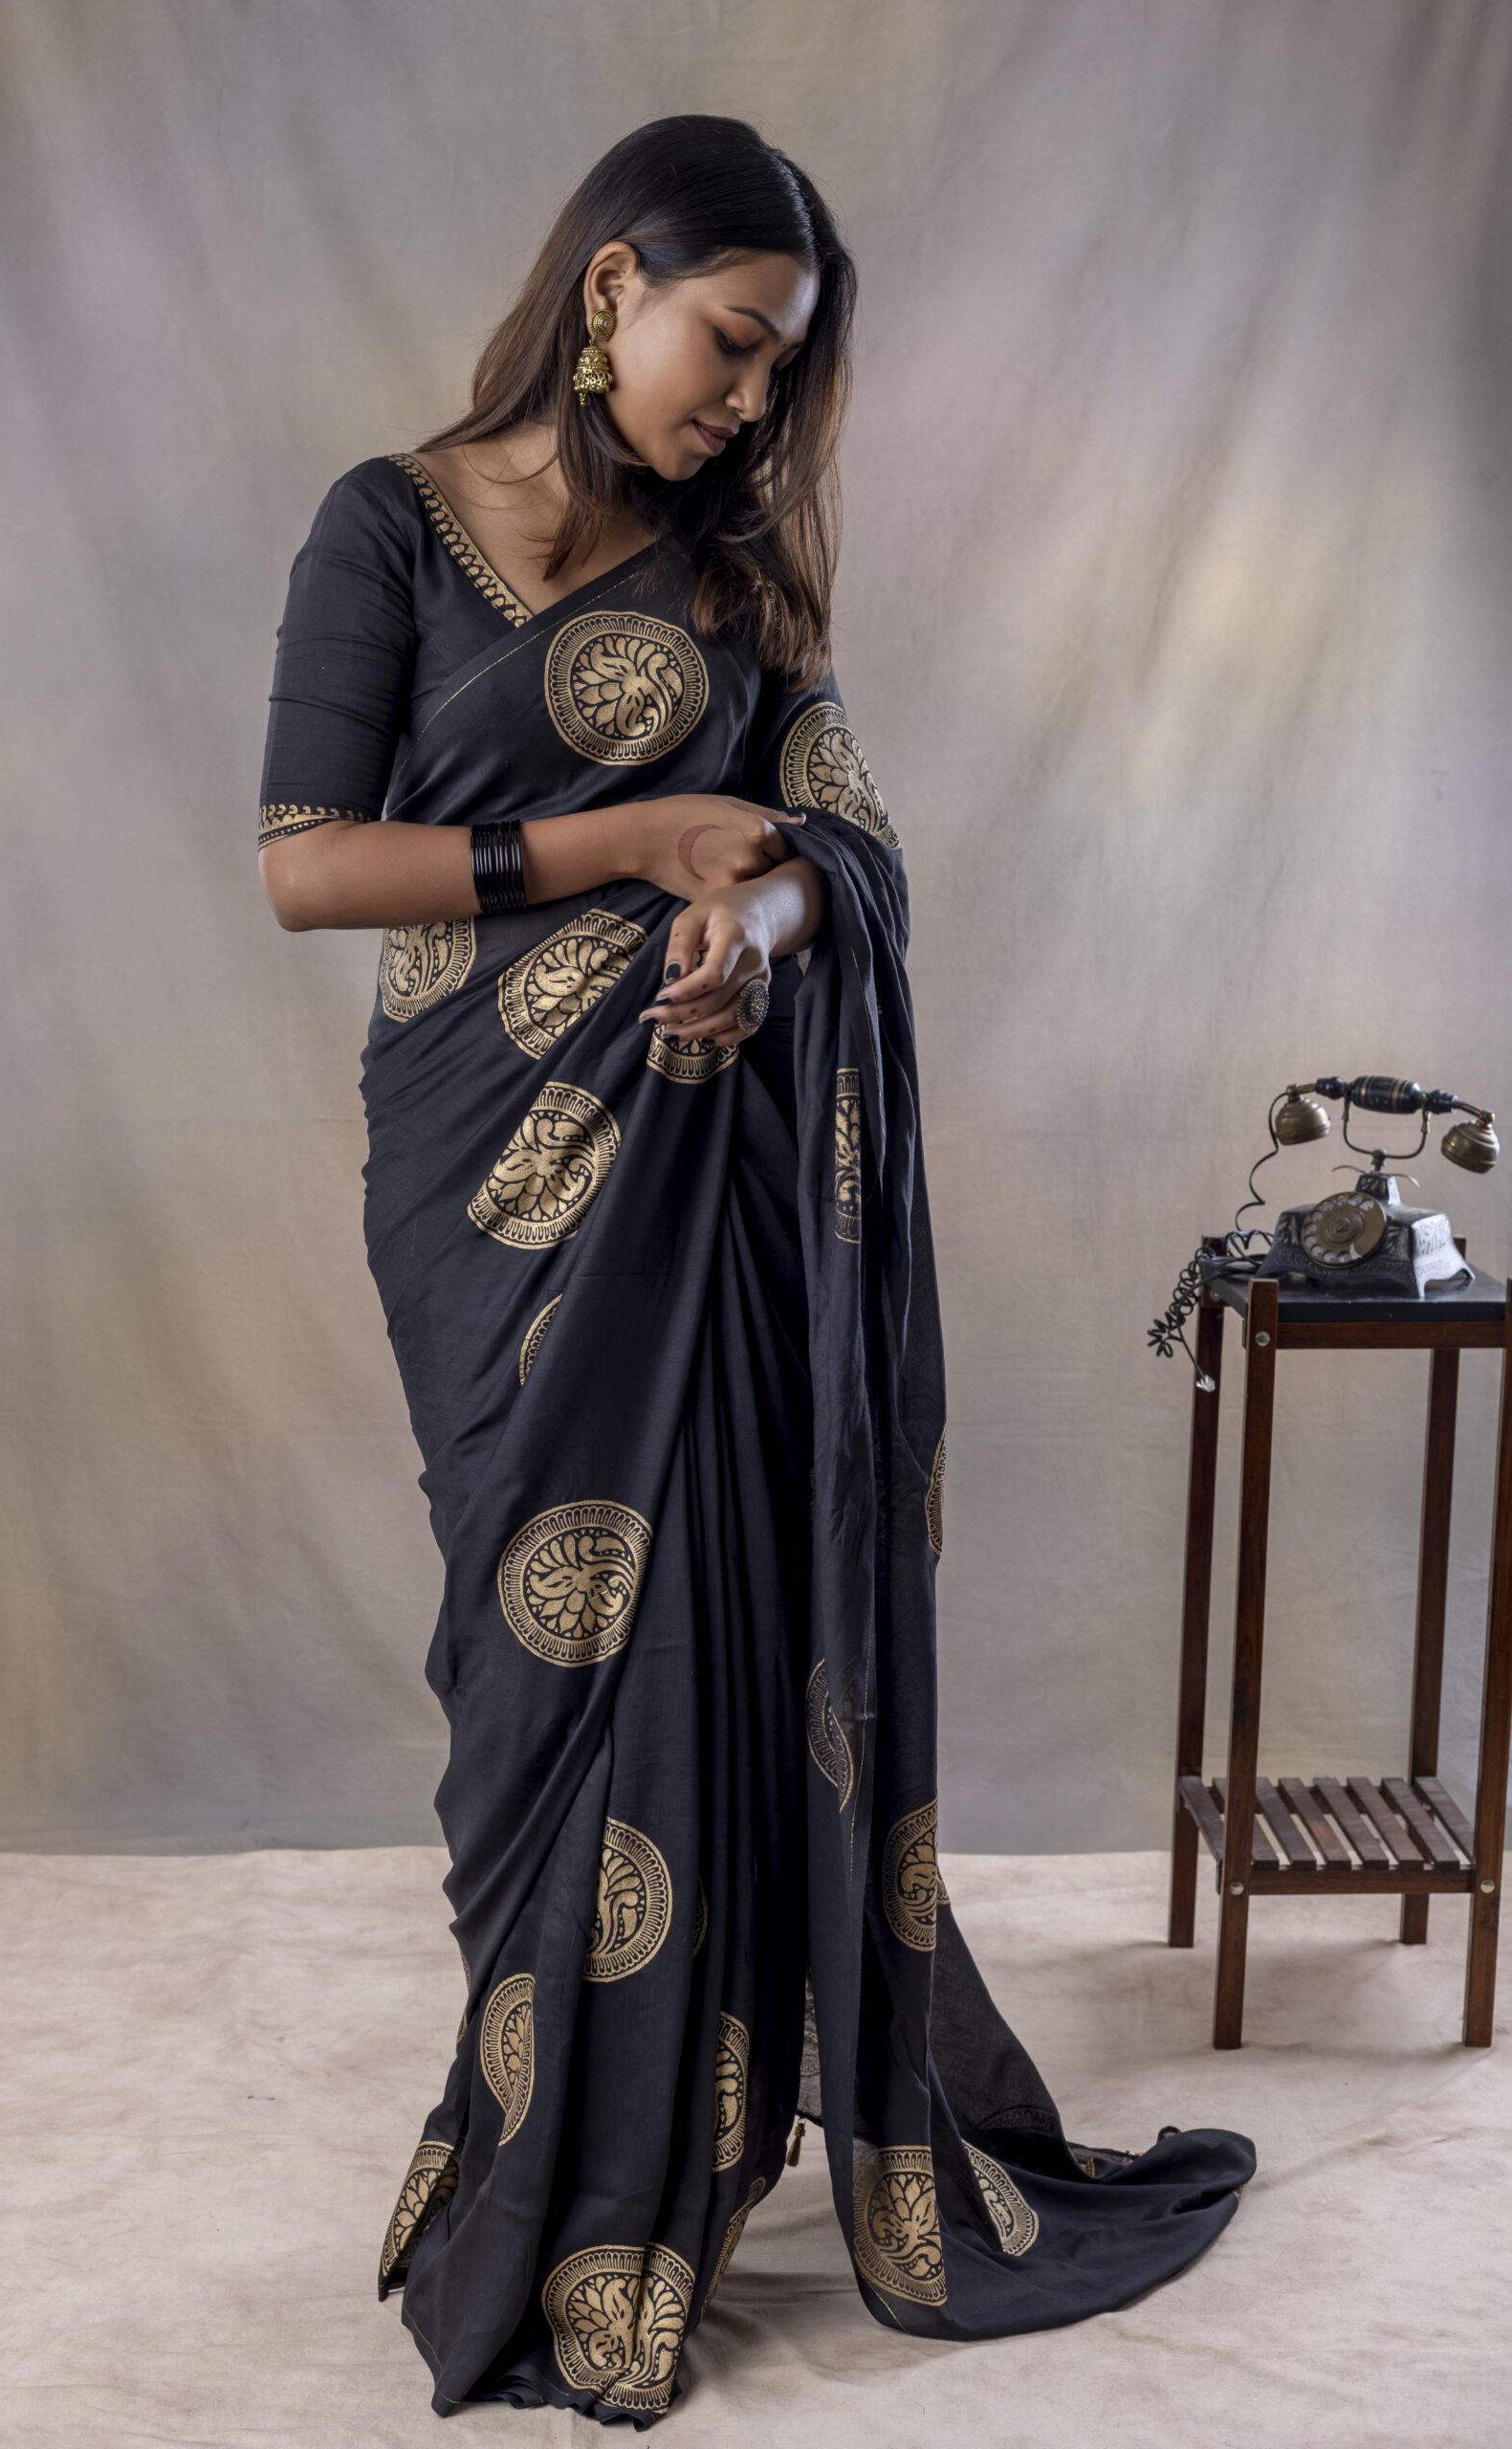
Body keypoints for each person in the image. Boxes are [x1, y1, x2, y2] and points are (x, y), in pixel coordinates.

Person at [256, 114, 1254, 2426]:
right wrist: (636, 837)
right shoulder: (384, 524)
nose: (749, 401)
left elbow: (841, 847)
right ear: (609, 286)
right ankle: (549, 2156)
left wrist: (757, 923)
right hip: (490, 1193)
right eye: (731, 342)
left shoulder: (734, 583)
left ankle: (650, 2181)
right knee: (533, 1667)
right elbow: (309, 864)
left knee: (706, 1631)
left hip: (706, 1181)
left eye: (782, 369)